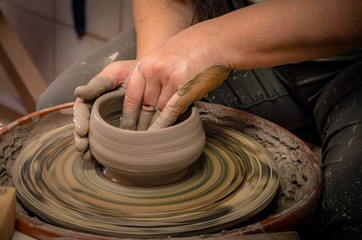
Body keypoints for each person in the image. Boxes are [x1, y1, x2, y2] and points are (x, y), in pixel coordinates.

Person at [37, 0, 362, 239]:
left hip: (349, 57)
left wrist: (211, 45)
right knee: (59, 112)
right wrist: (153, 64)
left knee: (346, 219)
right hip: (230, 21)